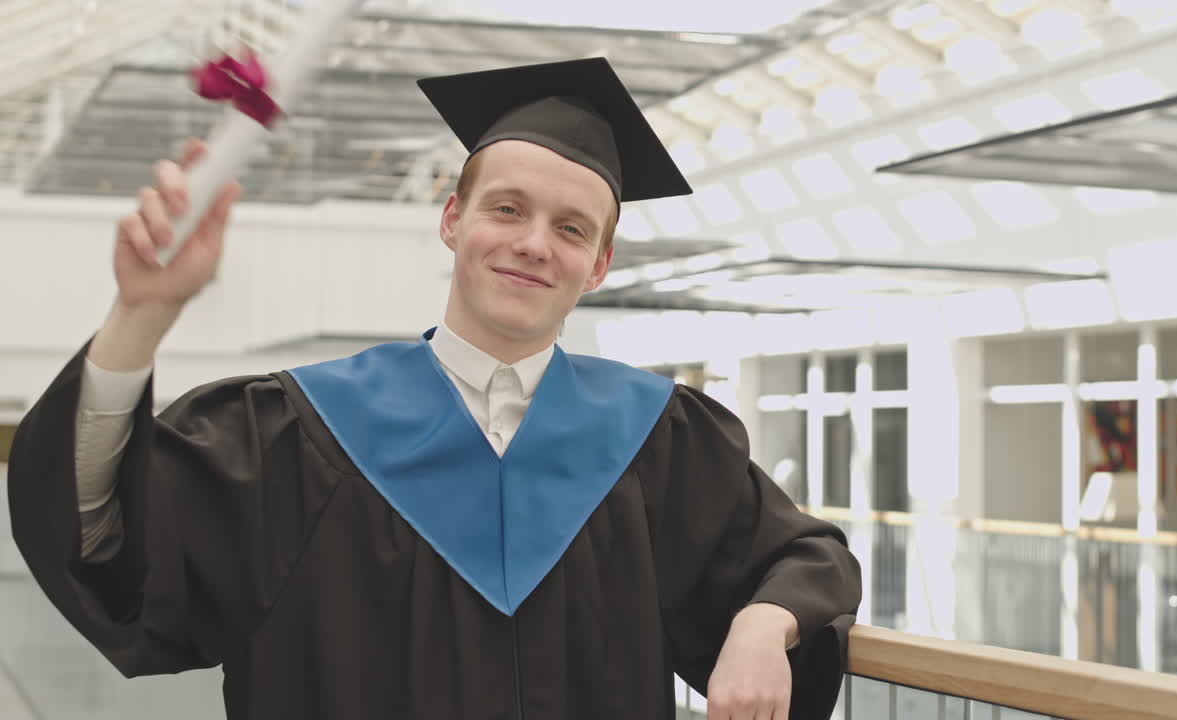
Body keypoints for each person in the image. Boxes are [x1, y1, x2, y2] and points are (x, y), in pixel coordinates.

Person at [8, 58, 861, 720]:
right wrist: (142, 313)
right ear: (452, 220)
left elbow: (805, 557)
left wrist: (762, 625)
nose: (534, 243)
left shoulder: (655, 440)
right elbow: (101, 530)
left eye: (571, 229)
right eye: (506, 209)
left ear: (598, 265)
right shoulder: (295, 431)